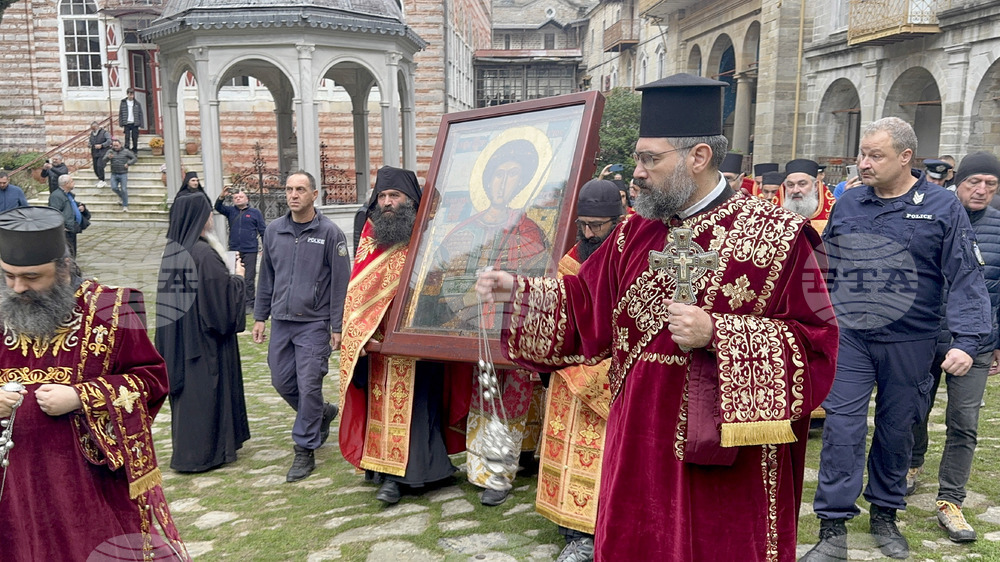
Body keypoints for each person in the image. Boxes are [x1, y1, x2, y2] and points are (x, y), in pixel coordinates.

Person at [477, 73, 839, 561]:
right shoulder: (635, 232)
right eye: (639, 158)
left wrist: (719, 333)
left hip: (725, 453)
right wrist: (517, 294)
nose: (638, 172)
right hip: (639, 439)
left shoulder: (780, 237)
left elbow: (818, 342)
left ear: (698, 157)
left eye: (651, 158)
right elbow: (584, 303)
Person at [805, 117, 992, 561]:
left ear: (905, 157)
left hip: (911, 340)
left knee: (897, 429)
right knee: (843, 428)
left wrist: (967, 340)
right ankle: (833, 528)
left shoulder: (943, 205)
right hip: (851, 336)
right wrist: (813, 320)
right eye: (861, 154)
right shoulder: (849, 203)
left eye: (875, 155)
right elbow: (824, 266)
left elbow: (965, 274)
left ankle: (886, 514)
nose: (863, 163)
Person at [0, 206, 189, 561]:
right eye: (8, 276)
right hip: (14, 486)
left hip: (89, 486)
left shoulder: (109, 309)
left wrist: (81, 395)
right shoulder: (2, 306)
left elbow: (151, 380)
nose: (17, 287)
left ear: (64, 268)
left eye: (31, 277)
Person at [339, 165, 472, 505]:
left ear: (411, 200)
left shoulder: (429, 238)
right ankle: (389, 475)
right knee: (384, 406)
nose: (387, 202)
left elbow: (445, 284)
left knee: (423, 406)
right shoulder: (371, 238)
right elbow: (358, 292)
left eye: (394, 196)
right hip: (379, 342)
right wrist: (361, 335)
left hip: (420, 339)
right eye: (382, 196)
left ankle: (427, 470)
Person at [906, 151, 1000, 544]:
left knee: (965, 422)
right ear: (957, 182)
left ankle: (951, 499)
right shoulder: (928, 215)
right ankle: (911, 466)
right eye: (973, 182)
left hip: (977, 340)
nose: (981, 190)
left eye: (990, 184)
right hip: (926, 334)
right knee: (915, 410)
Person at [536, 179, 623, 562]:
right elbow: (555, 313)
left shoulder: (631, 257)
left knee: (609, 459)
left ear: (616, 222)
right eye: (582, 225)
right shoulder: (570, 259)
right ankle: (575, 534)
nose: (588, 234)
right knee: (569, 456)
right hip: (570, 377)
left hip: (615, 375)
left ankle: (608, 530)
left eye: (596, 226)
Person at [253, 170, 351, 482]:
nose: (293, 195)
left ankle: (304, 449)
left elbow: (340, 285)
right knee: (282, 381)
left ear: (314, 194)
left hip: (315, 324)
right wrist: (260, 316)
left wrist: (337, 325)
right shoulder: (273, 231)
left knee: (309, 384)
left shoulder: (330, 233)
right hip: (282, 321)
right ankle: (320, 412)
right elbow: (265, 277)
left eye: (300, 189)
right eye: (289, 189)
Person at [155, 195, 251, 473]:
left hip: (180, 341)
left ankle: (190, 452)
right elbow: (221, 307)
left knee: (190, 401)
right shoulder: (203, 255)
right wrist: (238, 278)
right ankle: (206, 454)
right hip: (204, 343)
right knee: (205, 395)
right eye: (208, 213)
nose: (211, 218)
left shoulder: (174, 251)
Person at [215, 186, 267, 313]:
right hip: (234, 249)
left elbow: (263, 231)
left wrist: (265, 247)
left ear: (247, 199)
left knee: (249, 278)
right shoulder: (230, 211)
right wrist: (222, 196)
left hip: (250, 250)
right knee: (234, 277)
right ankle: (237, 301)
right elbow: (218, 208)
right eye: (235, 198)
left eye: (240, 197)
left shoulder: (255, 213)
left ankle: (250, 304)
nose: (238, 199)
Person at [782, 158, 835, 233]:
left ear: (815, 186)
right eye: (790, 185)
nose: (795, 190)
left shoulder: (833, 216)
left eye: (802, 184)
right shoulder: (776, 217)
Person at [48, 174, 90, 257]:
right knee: (68, 254)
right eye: (72, 181)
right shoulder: (56, 196)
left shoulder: (68, 194)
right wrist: (63, 226)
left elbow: (71, 205)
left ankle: (72, 267)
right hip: (65, 230)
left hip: (72, 227)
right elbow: (54, 212)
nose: (74, 183)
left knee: (72, 251)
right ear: (66, 184)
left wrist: (81, 207)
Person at [100, 138, 137, 212]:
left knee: (124, 189)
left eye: (117, 145)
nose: (115, 147)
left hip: (123, 173)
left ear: (120, 145)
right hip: (114, 173)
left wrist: (128, 163)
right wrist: (108, 157)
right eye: (114, 146)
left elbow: (134, 158)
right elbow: (103, 160)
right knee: (114, 188)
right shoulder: (110, 151)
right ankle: (122, 197)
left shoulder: (126, 151)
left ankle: (125, 206)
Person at [119, 88, 144, 153]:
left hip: (134, 122)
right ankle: (127, 148)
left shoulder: (137, 103)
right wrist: (121, 122)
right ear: (127, 94)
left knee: (134, 137)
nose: (131, 96)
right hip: (127, 122)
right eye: (130, 94)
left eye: (132, 94)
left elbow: (140, 113)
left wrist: (141, 123)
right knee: (127, 137)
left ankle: (135, 148)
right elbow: (121, 113)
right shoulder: (123, 102)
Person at [89, 120, 111, 187]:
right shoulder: (92, 134)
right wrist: (89, 144)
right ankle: (100, 179)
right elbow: (90, 141)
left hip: (103, 152)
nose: (93, 129)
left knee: (100, 165)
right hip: (94, 152)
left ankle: (102, 180)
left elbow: (109, 141)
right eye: (92, 128)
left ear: (97, 126)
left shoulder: (104, 133)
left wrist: (102, 145)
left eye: (94, 127)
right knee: (95, 167)